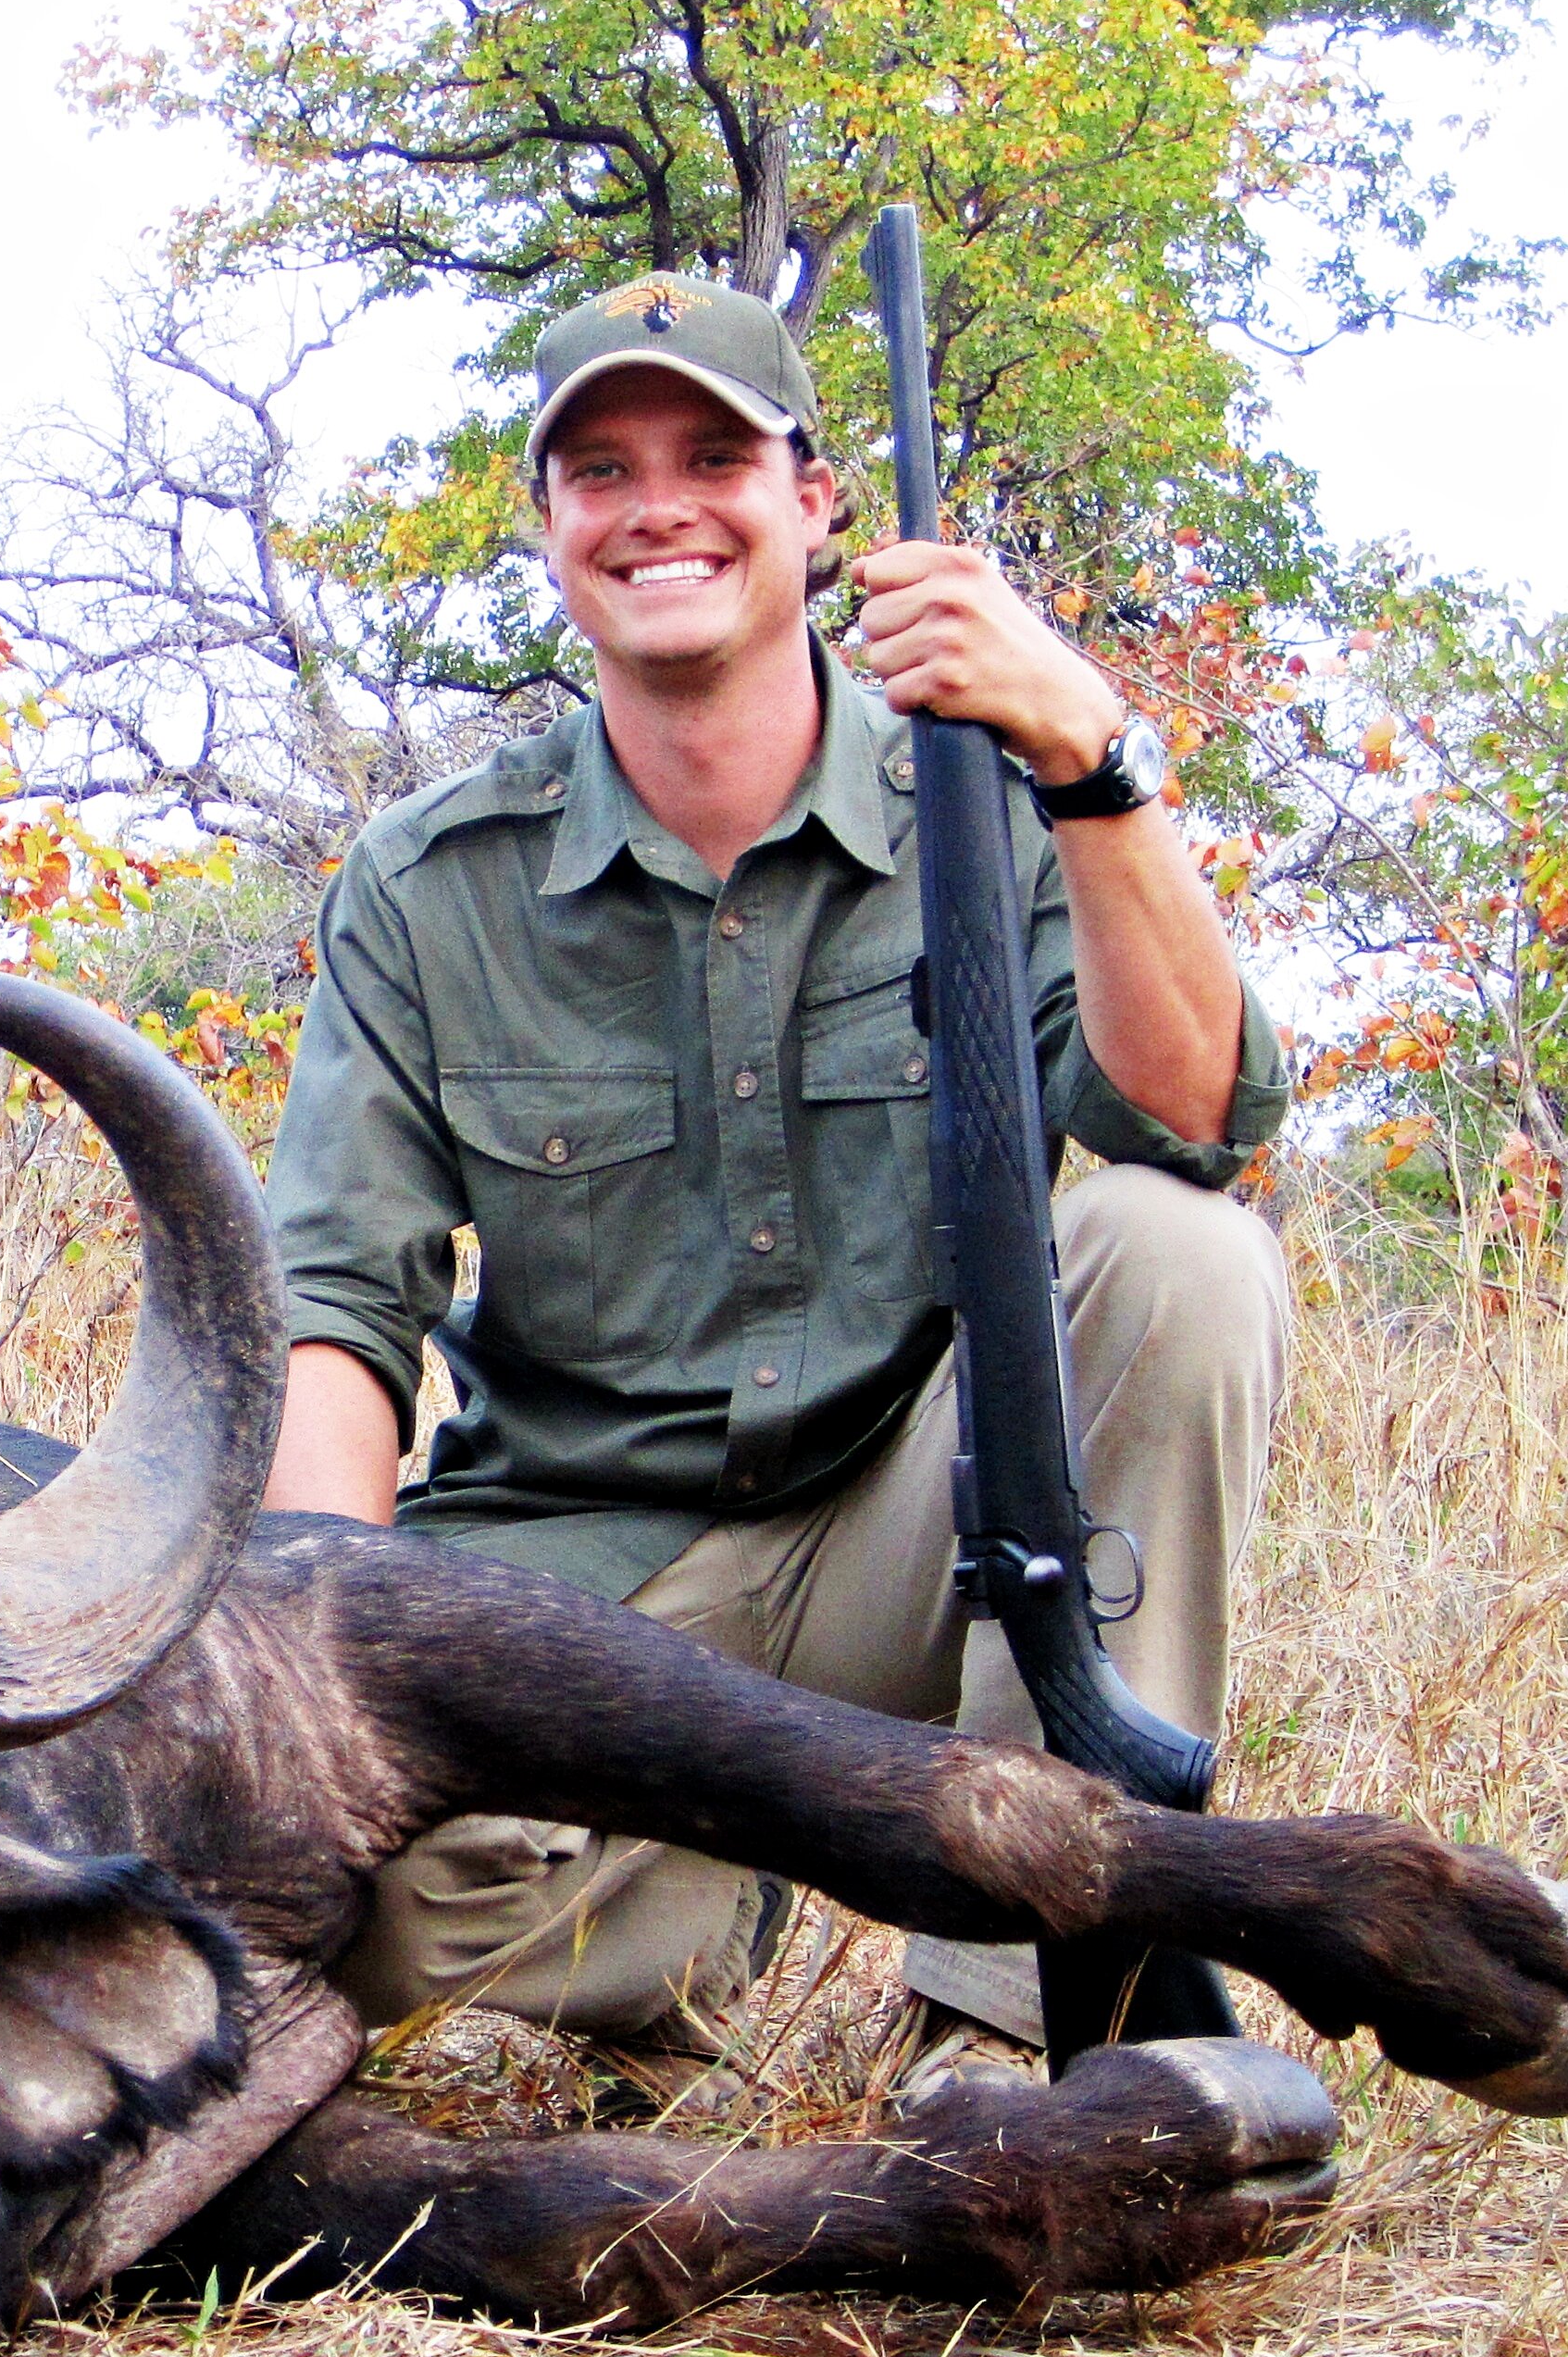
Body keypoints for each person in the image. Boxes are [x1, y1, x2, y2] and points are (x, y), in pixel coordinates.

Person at [262, 271, 1294, 2082]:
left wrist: (1091, 758)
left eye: (714, 454)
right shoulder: (430, 887)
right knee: (356, 1933)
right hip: (582, 1583)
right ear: (553, 531)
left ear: (813, 504)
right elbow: (338, 1317)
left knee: (1176, 1249)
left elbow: (1198, 1113)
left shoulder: (991, 801)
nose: (659, 505)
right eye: (602, 469)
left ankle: (1013, 2017)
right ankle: (661, 1941)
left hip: (923, 1534)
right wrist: (305, 1687)